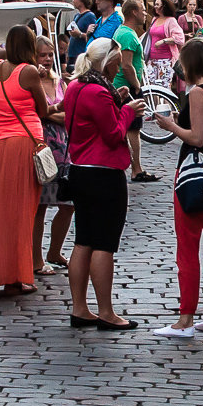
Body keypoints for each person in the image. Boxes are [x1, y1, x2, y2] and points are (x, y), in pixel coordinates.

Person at [152, 39, 203, 339]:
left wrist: (170, 126)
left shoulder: (198, 92)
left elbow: (197, 138)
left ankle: (185, 319)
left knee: (188, 246)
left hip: (193, 175)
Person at [65, 38, 147, 331]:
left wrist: (117, 100)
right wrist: (128, 111)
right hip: (104, 173)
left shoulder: (76, 86)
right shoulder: (98, 91)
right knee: (104, 244)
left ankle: (79, 309)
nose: (118, 67)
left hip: (80, 170)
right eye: (116, 61)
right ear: (108, 62)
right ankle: (106, 312)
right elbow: (113, 133)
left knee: (83, 240)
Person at [0, 26, 50, 298]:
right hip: (25, 143)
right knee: (25, 211)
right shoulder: (29, 72)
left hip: (0, 144)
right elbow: (43, 109)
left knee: (2, 212)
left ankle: (5, 274)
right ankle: (22, 274)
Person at [31, 36, 74, 276]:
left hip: (64, 148)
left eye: (50, 55)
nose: (47, 59)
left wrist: (49, 114)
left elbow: (68, 115)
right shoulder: (31, 79)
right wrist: (49, 115)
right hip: (43, 147)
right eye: (42, 55)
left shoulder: (59, 82)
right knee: (41, 206)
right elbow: (36, 114)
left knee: (68, 204)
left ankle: (54, 251)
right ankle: (36, 258)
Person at [112, 0, 159, 183]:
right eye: (142, 9)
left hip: (127, 85)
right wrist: (137, 86)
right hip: (127, 87)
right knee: (132, 129)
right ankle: (135, 169)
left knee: (131, 130)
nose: (145, 13)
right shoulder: (127, 35)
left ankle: (134, 167)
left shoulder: (125, 32)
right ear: (133, 12)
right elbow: (126, 64)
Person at [146, 0, 184, 91]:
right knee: (152, 87)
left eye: (158, 5)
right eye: (155, 4)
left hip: (165, 61)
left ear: (164, 6)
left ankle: (165, 106)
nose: (155, 7)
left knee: (164, 88)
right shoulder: (155, 19)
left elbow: (180, 38)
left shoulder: (171, 21)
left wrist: (164, 41)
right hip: (152, 60)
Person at [65, 0, 96, 72]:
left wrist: (79, 34)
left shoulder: (90, 16)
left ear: (82, 1)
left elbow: (93, 37)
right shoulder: (77, 15)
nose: (73, 1)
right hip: (72, 54)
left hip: (80, 54)